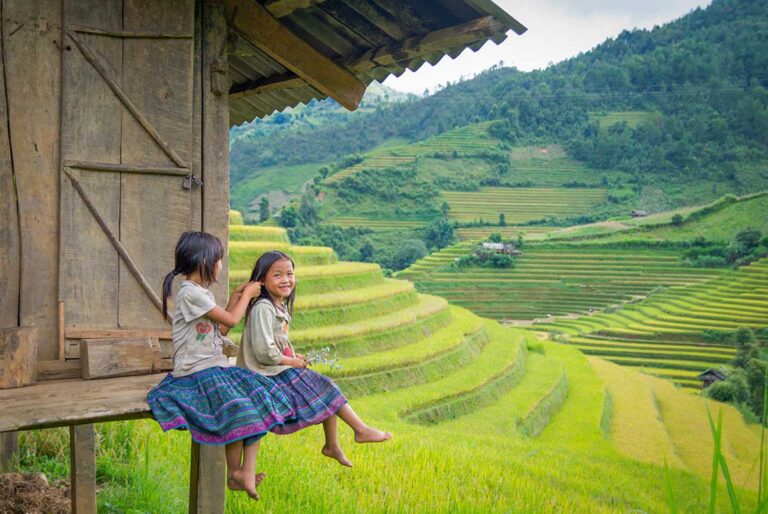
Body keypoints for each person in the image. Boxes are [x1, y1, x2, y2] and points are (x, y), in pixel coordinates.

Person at [147, 231, 295, 500]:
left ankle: (241, 472)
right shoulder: (190, 293)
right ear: (204, 260)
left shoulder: (201, 293)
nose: (220, 265)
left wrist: (236, 298)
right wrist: (248, 295)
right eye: (219, 260)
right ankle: (237, 471)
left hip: (213, 366)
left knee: (257, 398)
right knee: (237, 406)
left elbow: (223, 329)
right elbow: (233, 320)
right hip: (194, 371)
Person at [232, 250, 391, 468]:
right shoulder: (263, 308)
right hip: (263, 374)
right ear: (261, 281)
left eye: (290, 274)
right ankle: (358, 431)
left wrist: (293, 355)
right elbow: (263, 351)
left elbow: (276, 342)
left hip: (275, 369)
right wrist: (291, 362)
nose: (286, 280)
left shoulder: (278, 306)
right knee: (324, 388)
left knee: (324, 389)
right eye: (277, 275)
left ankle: (334, 444)